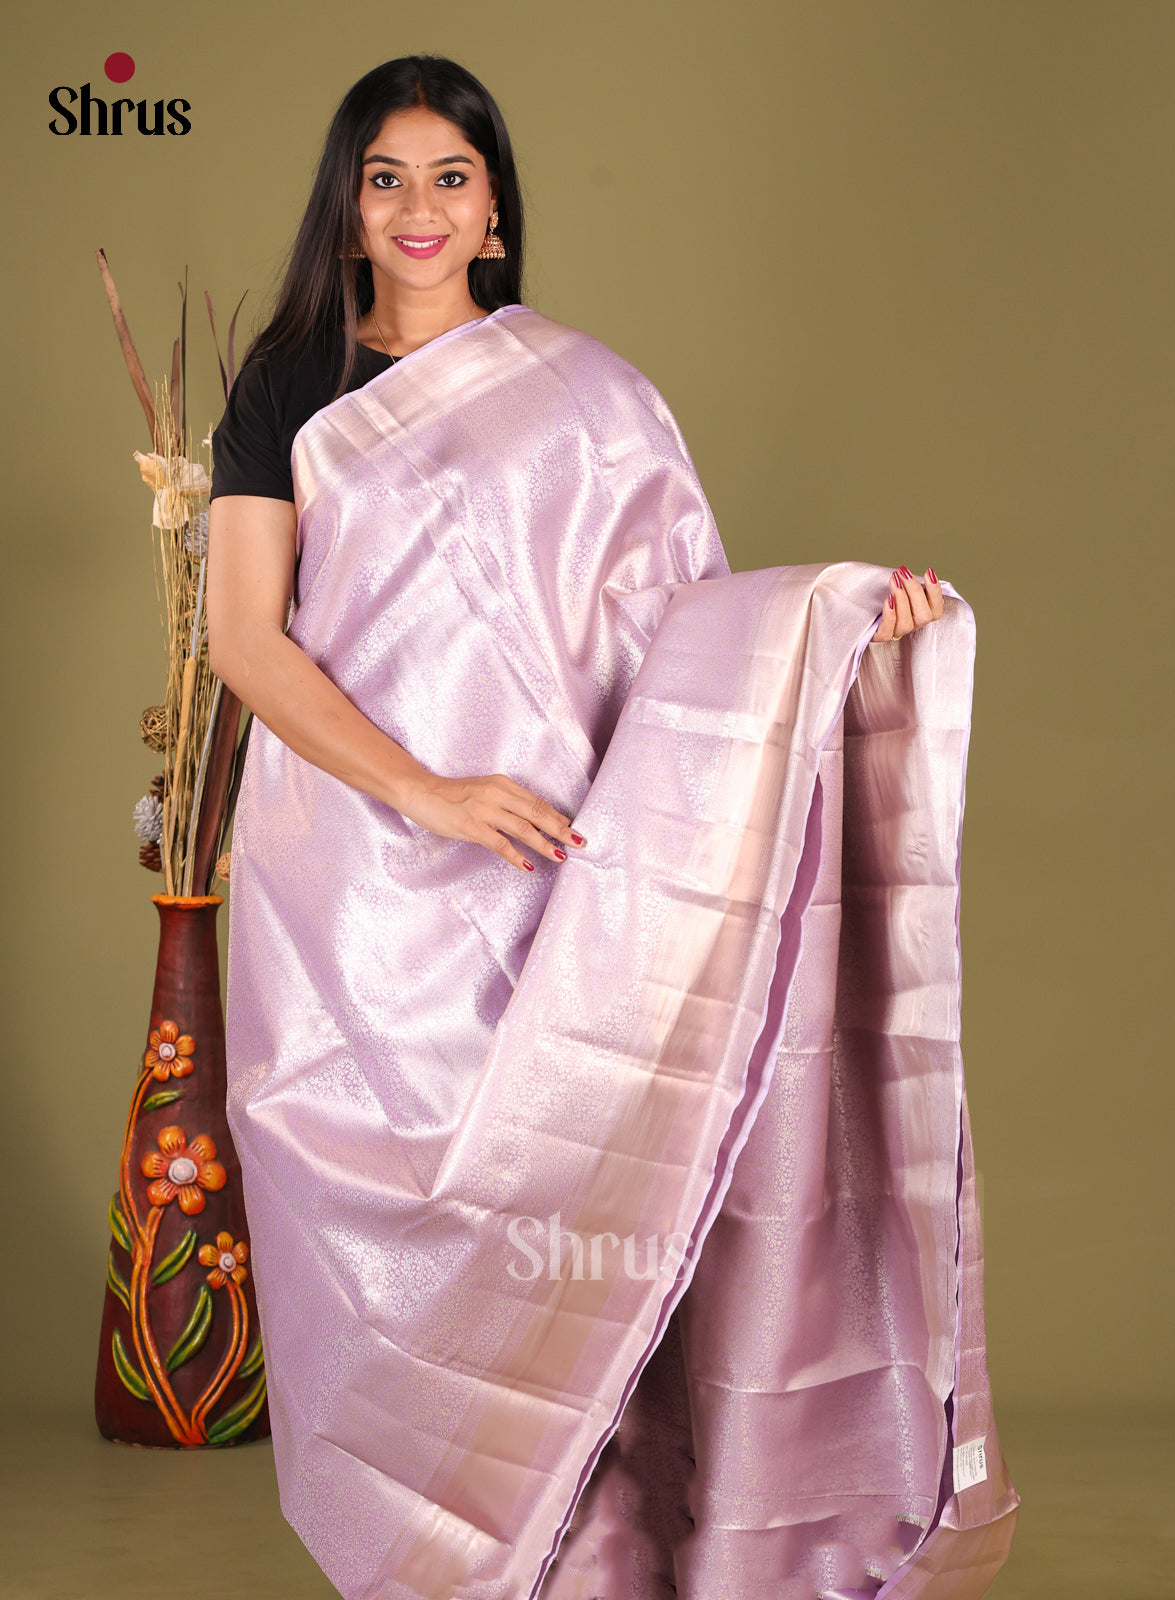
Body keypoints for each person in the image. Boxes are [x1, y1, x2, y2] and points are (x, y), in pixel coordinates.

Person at [208, 55, 1016, 1600]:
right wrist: (428, 791)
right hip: (355, 903)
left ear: (496, 208)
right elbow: (247, 640)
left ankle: (602, 1569)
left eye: (451, 177)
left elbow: (689, 628)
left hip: (565, 880)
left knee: (595, 1211)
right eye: (387, 178)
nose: (420, 207)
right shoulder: (289, 384)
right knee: (410, 1255)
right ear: (348, 206)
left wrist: (848, 616)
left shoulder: (590, 398)